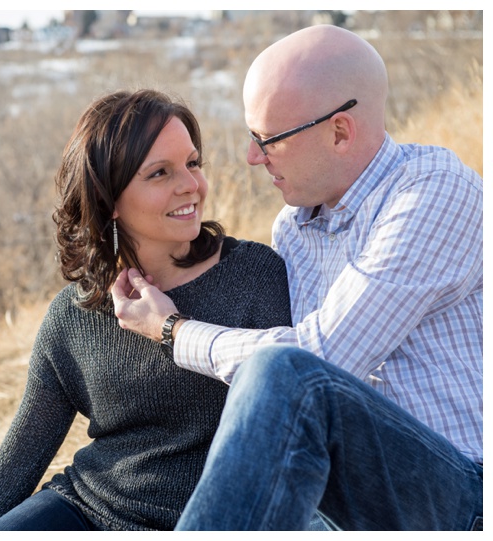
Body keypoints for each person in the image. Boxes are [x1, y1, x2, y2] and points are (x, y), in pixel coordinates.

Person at [111, 25, 482, 531]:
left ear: (339, 132)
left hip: (464, 495)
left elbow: (322, 360)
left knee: (284, 373)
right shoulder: (293, 227)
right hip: (344, 498)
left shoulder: (435, 191)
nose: (251, 157)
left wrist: (174, 331)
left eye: (268, 139)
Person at [0, 89, 292, 531]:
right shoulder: (73, 315)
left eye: (193, 163)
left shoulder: (255, 275)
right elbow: (14, 466)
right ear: (110, 200)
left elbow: (287, 435)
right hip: (84, 509)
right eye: (160, 172)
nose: (191, 185)